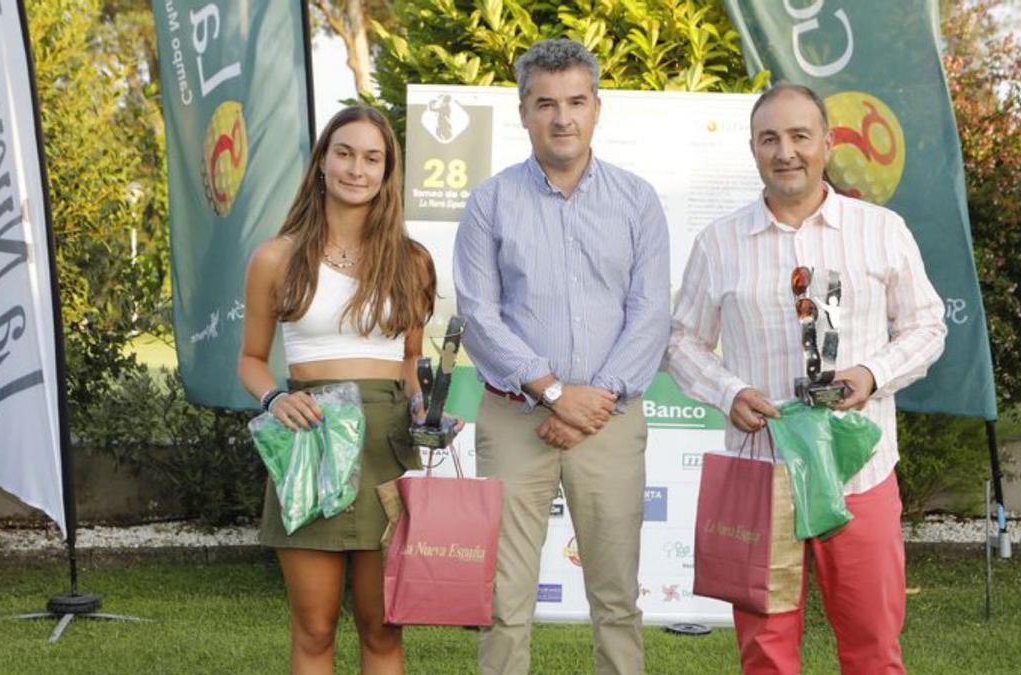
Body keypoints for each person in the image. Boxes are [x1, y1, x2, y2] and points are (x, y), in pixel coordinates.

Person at [667, 84, 947, 674]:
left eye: (799, 136)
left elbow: (927, 327)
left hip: (859, 474)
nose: (785, 152)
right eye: (770, 138)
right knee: (765, 654)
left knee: (873, 646)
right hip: (760, 472)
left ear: (827, 142)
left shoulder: (881, 229)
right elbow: (680, 341)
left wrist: (873, 373)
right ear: (752, 149)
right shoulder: (718, 243)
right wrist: (727, 391)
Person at [453, 38, 671, 675]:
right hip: (515, 418)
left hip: (609, 420)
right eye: (545, 103)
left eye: (576, 101)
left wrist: (589, 402)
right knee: (504, 599)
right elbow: (479, 316)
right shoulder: (489, 203)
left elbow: (650, 314)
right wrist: (552, 392)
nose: (562, 117)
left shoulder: (637, 201)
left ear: (597, 108)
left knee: (616, 597)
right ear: (523, 112)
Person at [239, 105, 439, 674]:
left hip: (388, 447)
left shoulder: (412, 262)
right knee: (315, 628)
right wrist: (275, 399)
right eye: (345, 153)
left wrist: (424, 406)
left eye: (372, 158)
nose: (357, 168)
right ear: (323, 163)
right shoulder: (276, 258)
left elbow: (409, 360)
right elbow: (252, 360)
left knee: (383, 628)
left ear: (387, 171)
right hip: (310, 444)